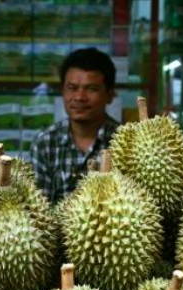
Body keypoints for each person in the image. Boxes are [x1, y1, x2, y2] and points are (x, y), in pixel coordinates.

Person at [30, 47, 119, 204]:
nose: (79, 97)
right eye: (72, 88)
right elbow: (38, 208)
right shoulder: (44, 143)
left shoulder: (126, 143)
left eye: (91, 89)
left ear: (110, 95)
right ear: (62, 91)